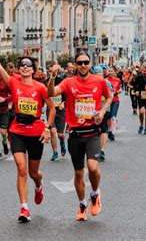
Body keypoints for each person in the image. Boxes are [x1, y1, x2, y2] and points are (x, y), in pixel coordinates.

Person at [0, 34, 54, 224]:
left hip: (36, 131)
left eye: (28, 65)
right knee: (21, 168)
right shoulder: (14, 82)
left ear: (34, 70)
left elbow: (52, 108)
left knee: (33, 173)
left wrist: (47, 128)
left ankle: (39, 185)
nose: (25, 67)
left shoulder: (40, 87)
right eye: (22, 65)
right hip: (17, 130)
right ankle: (24, 208)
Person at [48, 52, 112, 222]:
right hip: (75, 135)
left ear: (90, 64)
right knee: (78, 174)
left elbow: (110, 96)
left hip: (92, 133)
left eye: (86, 62)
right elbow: (51, 92)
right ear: (75, 65)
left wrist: (103, 110)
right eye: (79, 62)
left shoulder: (99, 81)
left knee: (92, 168)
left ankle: (95, 193)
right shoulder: (69, 82)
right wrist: (52, 77)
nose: (83, 65)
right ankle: (82, 204)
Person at [46, 61, 67, 161]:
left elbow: (66, 95)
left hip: (60, 110)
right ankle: (55, 153)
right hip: (51, 110)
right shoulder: (46, 82)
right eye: (50, 71)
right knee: (53, 131)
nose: (52, 72)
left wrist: (64, 103)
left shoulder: (61, 81)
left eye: (53, 70)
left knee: (60, 134)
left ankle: (62, 143)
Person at [106, 67, 122, 141]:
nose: (110, 72)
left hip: (115, 100)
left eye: (112, 71)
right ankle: (109, 130)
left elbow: (120, 88)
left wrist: (119, 91)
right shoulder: (105, 80)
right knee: (108, 116)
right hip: (108, 100)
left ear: (114, 72)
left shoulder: (117, 80)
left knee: (113, 115)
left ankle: (112, 132)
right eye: (109, 71)